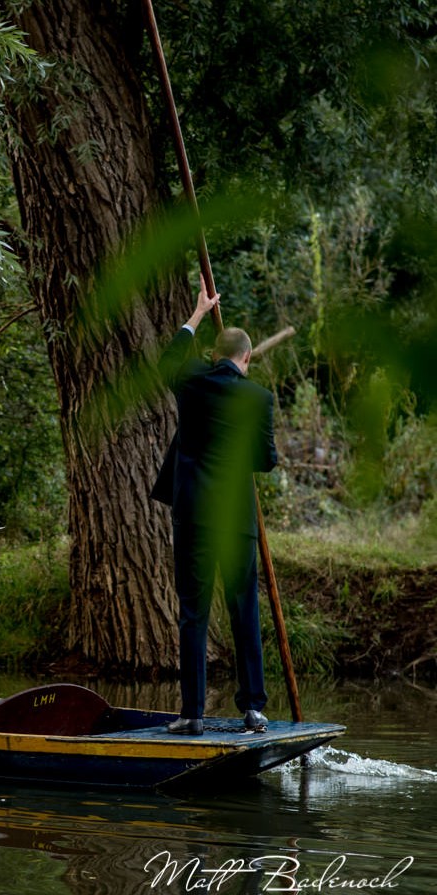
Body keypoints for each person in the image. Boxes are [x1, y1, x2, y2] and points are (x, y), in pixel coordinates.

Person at [151, 278, 279, 736]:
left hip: (192, 516)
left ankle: (192, 714)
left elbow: (167, 361)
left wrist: (198, 313)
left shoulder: (191, 381)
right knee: (244, 609)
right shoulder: (258, 398)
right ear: (247, 358)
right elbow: (266, 460)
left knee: (194, 613)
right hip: (236, 520)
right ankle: (254, 709)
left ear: (213, 355)